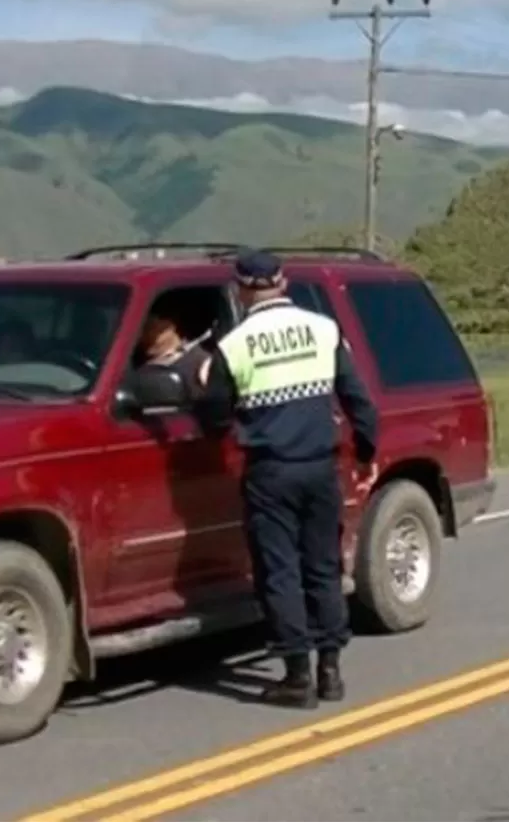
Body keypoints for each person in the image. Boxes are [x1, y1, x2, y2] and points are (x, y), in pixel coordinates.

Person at [199, 248, 381, 709]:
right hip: (320, 467)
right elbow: (358, 399)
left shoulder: (233, 346)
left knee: (280, 571)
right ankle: (331, 672)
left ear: (240, 290)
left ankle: (296, 676)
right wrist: (366, 451)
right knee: (322, 566)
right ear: (284, 283)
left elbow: (214, 419)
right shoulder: (324, 330)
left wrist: (212, 388)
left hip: (271, 471)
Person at [138, 298, 212, 397]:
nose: (143, 336)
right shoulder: (131, 361)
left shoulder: (201, 363)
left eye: (149, 327)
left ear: (170, 325)